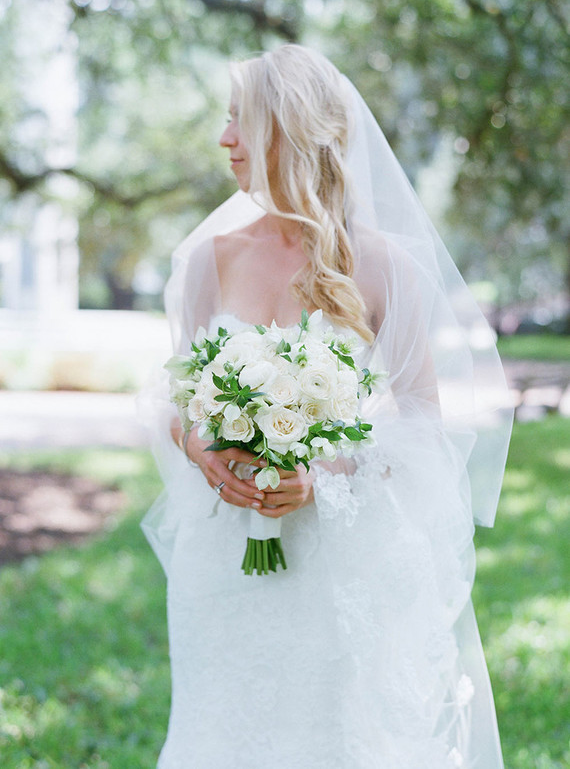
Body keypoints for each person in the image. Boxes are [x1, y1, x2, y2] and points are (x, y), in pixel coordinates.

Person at [141, 44, 513, 768]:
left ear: (287, 128)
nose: (223, 139)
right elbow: (175, 392)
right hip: (224, 556)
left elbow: (424, 424)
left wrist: (327, 472)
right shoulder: (210, 259)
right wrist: (198, 443)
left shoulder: (382, 265)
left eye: (239, 119)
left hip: (337, 554)